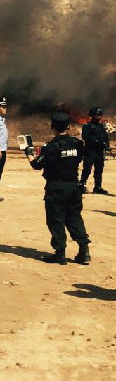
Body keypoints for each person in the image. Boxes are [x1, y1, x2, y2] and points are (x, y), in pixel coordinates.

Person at [26, 112, 91, 265]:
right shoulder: (77, 144)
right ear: (68, 127)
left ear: (52, 127)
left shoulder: (51, 147)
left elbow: (36, 165)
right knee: (74, 218)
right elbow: (79, 158)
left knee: (56, 220)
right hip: (73, 187)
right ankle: (84, 251)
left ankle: (60, 253)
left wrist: (29, 153)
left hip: (56, 188)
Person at [80, 106, 110, 195]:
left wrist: (106, 145)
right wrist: (97, 141)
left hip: (99, 151)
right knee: (87, 168)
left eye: (100, 115)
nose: (99, 116)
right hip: (90, 151)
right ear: (92, 115)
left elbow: (105, 137)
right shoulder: (87, 126)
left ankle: (98, 187)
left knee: (99, 169)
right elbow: (85, 137)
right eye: (97, 115)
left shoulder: (101, 126)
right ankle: (81, 185)